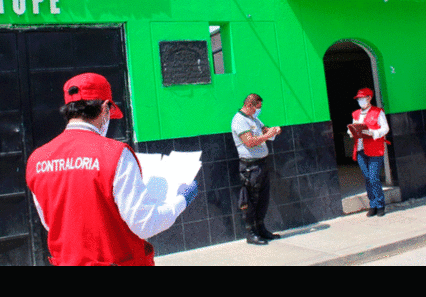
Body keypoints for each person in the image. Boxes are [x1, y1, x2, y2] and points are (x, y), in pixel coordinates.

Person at [26, 72, 198, 266]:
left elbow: (51, 223)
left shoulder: (37, 159)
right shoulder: (116, 154)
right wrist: (181, 200)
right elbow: (145, 224)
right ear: (105, 108)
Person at [231, 93, 282, 245]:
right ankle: (251, 232)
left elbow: (265, 129)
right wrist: (268, 136)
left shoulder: (253, 119)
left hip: (262, 163)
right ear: (249, 105)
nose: (259, 110)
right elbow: (250, 142)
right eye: (257, 108)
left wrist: (274, 130)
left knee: (263, 198)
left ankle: (261, 228)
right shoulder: (239, 121)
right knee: (251, 200)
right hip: (250, 167)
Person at [349, 88, 390, 217]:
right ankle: (372, 204)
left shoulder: (378, 112)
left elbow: (385, 128)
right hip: (361, 149)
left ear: (369, 98)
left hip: (374, 149)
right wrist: (351, 132)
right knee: (367, 178)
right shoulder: (356, 114)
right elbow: (353, 127)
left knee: (373, 178)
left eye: (362, 98)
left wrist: (374, 133)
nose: (360, 101)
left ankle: (380, 204)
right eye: (358, 99)